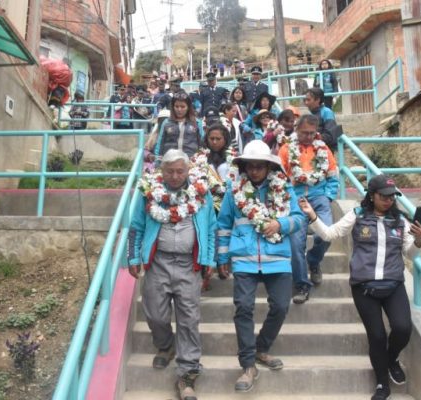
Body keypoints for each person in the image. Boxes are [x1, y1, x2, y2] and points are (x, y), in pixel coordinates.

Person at [297, 174, 421, 400]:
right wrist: (312, 216)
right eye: (384, 196)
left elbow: (411, 254)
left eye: (392, 197)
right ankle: (382, 385)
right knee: (377, 336)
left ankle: (391, 358)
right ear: (372, 196)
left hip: (393, 285)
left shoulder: (401, 221)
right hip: (364, 287)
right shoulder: (357, 215)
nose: (389, 201)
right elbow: (329, 233)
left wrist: (419, 240)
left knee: (403, 328)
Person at [128, 149, 217, 400]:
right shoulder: (148, 192)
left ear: (188, 171)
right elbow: (136, 227)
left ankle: (187, 372)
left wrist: (210, 259)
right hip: (158, 262)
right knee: (155, 314)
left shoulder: (202, 193)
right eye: (170, 171)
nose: (175, 176)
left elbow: (211, 228)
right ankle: (165, 346)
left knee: (189, 318)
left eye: (180, 171)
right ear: (162, 171)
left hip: (189, 265)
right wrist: (133, 258)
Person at [217, 140, 304, 393]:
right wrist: (222, 258)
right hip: (244, 259)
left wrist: (280, 225)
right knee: (244, 308)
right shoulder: (234, 191)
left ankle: (261, 347)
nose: (254, 171)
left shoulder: (284, 188)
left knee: (280, 306)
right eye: (250, 166)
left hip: (278, 258)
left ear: (268, 167)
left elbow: (299, 218)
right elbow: (223, 225)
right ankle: (247, 365)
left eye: (259, 166)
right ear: (244, 167)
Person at [278, 114, 339, 304]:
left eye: (312, 133)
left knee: (326, 235)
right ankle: (302, 285)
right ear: (296, 129)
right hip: (295, 199)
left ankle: (313, 260)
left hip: (319, 198)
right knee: (296, 245)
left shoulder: (323, 148)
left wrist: (328, 196)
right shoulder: (286, 149)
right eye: (305, 133)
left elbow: (333, 175)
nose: (309, 137)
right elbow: (279, 177)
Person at [153, 92, 204, 159]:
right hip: (170, 160)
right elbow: (160, 144)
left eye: (183, 107)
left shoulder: (196, 123)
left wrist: (199, 158)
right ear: (172, 107)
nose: (179, 110)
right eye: (176, 106)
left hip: (190, 161)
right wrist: (157, 160)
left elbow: (202, 143)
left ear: (188, 107)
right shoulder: (166, 122)